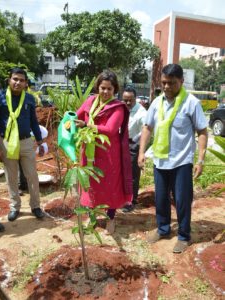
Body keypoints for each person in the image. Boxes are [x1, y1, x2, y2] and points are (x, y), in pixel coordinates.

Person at [138, 64, 208, 253]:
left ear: (181, 82)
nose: (167, 87)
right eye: (164, 83)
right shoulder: (157, 102)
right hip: (161, 160)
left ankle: (184, 236)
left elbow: (202, 131)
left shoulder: (191, 103)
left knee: (182, 200)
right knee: (160, 198)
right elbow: (147, 127)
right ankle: (163, 229)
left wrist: (200, 159)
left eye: (172, 83)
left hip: (182, 161)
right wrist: (141, 152)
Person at [75, 70, 133, 234]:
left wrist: (87, 126)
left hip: (109, 154)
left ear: (115, 90)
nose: (106, 92)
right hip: (89, 152)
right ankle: (92, 218)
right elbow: (77, 115)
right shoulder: (90, 101)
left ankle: (111, 218)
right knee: (90, 185)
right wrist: (68, 121)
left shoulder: (118, 107)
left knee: (110, 186)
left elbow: (110, 130)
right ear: (97, 87)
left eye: (109, 89)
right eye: (103, 88)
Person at [0, 68, 45, 221]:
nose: (18, 82)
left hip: (26, 142)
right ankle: (15, 207)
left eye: (21, 80)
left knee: (32, 175)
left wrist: (40, 141)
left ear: (25, 83)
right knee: (11, 177)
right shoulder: (0, 97)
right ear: (9, 80)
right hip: (7, 142)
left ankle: (35, 206)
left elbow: (33, 122)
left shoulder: (29, 99)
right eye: (15, 79)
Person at [122, 86, 146, 212]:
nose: (128, 103)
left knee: (132, 174)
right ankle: (122, 198)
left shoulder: (141, 112)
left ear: (135, 98)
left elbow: (146, 129)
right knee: (121, 173)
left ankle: (131, 200)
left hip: (133, 145)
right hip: (121, 143)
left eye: (130, 100)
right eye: (125, 100)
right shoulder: (122, 108)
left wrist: (136, 142)